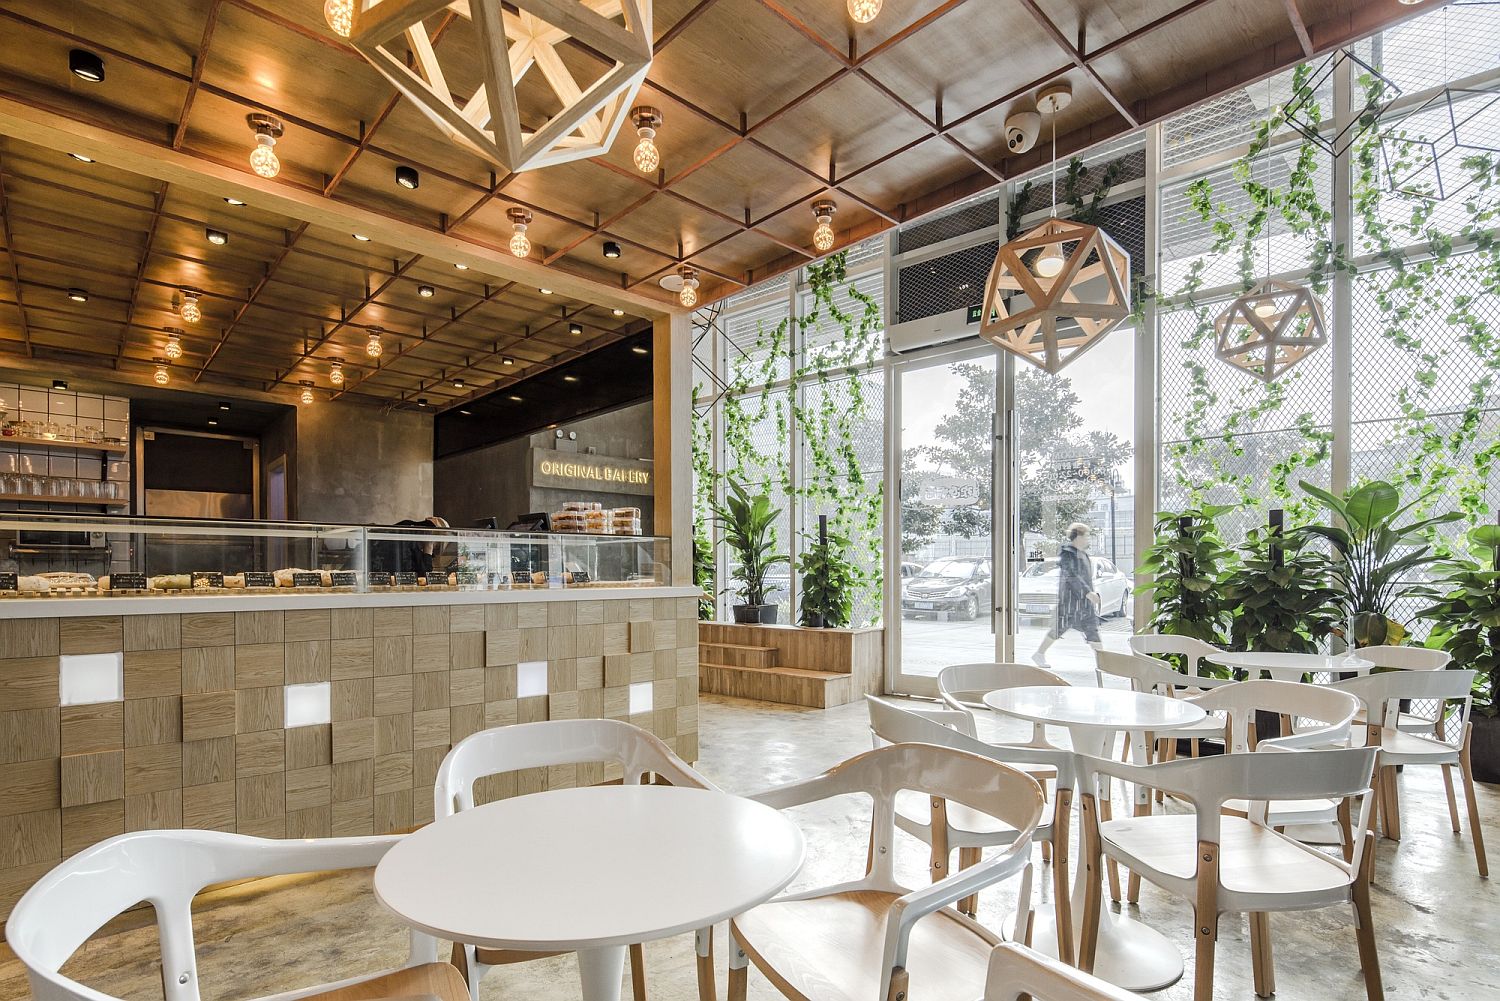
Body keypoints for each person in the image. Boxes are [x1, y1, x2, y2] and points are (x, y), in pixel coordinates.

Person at [1032, 522, 1102, 668]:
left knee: (1092, 630)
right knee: (1058, 629)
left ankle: (1103, 662)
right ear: (1078, 536)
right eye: (1086, 535)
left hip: (1083, 603)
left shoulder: (1082, 554)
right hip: (1070, 602)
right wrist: (1088, 592)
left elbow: (1084, 577)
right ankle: (1039, 654)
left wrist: (1090, 594)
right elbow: (1072, 575)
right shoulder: (1068, 554)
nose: (1088, 539)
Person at [370, 516, 449, 579]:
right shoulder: (408, 537)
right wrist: (428, 550)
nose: (434, 548)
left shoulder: (410, 532)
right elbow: (424, 577)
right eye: (436, 545)